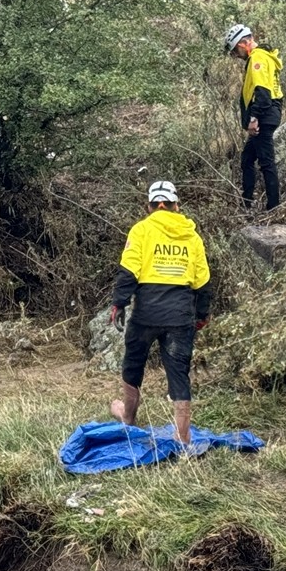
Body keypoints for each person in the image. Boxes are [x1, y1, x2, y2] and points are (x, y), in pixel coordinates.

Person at [109, 180, 213, 445]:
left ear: (150, 207)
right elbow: (202, 282)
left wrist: (118, 304)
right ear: (176, 206)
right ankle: (183, 436)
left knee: (133, 365)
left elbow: (129, 271)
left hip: (146, 313)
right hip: (180, 316)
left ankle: (129, 418)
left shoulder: (142, 230)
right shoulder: (192, 236)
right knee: (179, 372)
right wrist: (202, 314)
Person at [224, 23, 283, 210]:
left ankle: (273, 207)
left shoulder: (257, 59)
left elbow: (263, 92)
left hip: (264, 115)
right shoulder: (263, 57)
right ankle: (247, 201)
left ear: (242, 44)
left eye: (234, 51)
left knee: (266, 162)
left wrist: (253, 118)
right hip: (268, 113)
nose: (235, 56)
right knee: (247, 158)